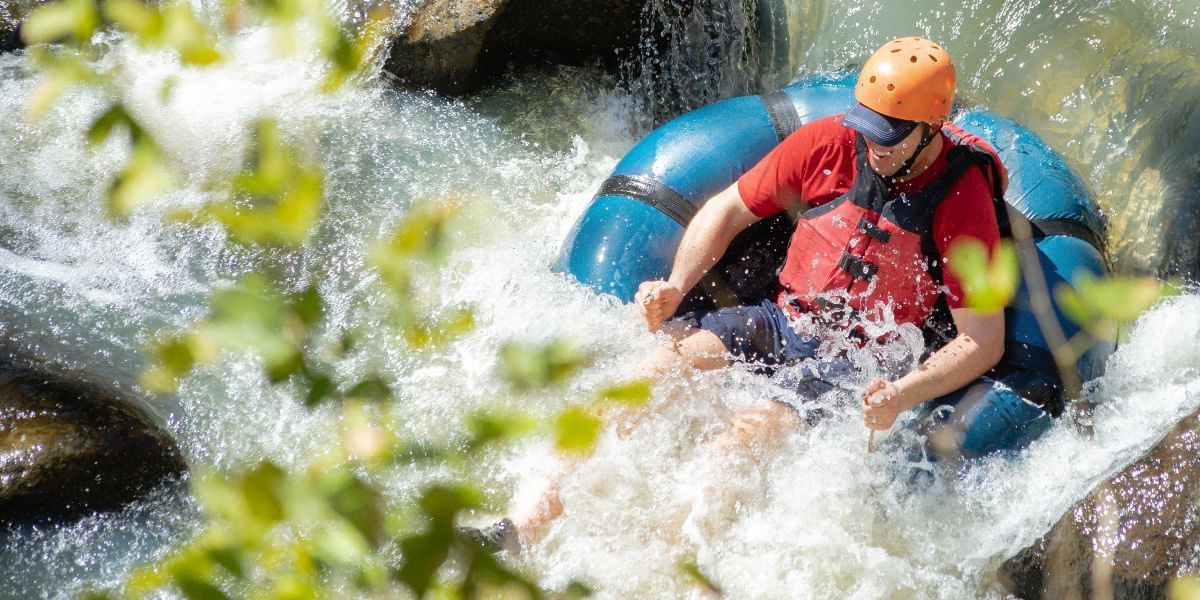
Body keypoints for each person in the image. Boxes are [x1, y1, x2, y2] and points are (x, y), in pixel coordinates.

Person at [466, 36, 1016, 552]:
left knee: (731, 447)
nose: (872, 144)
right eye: (867, 126)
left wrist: (904, 391)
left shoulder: (962, 200)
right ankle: (517, 526)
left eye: (889, 134)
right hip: (778, 319)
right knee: (647, 376)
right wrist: (676, 284)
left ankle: (655, 565)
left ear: (931, 127)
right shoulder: (829, 141)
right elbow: (727, 209)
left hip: (853, 362)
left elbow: (983, 340)